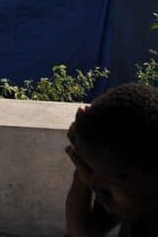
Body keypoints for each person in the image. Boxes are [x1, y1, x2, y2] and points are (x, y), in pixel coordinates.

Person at [65, 82, 158, 236]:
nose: (92, 184)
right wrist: (80, 169)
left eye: (107, 191)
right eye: (88, 169)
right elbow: (86, 232)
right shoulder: (139, 193)